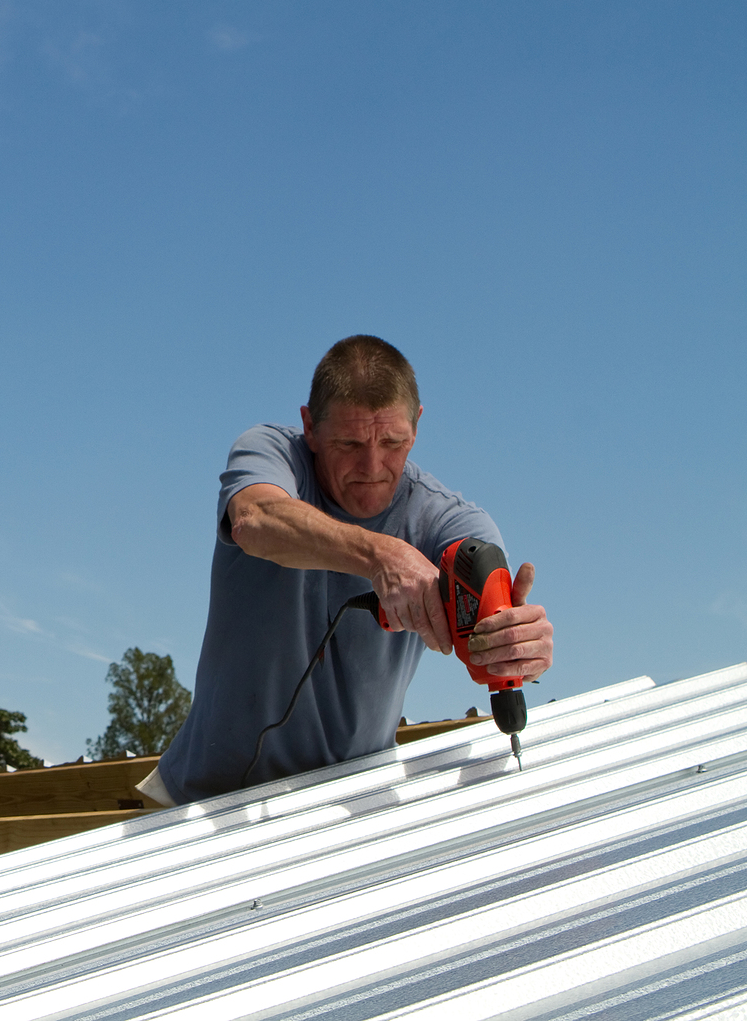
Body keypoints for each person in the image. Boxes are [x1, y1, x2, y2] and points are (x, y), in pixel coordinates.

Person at [145, 335, 553, 804]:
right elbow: (255, 520)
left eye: (393, 442)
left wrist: (510, 644)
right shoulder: (271, 452)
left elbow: (484, 594)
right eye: (349, 443)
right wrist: (381, 557)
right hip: (201, 798)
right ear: (310, 427)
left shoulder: (451, 521)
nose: (372, 466)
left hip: (346, 812)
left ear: (417, 427)